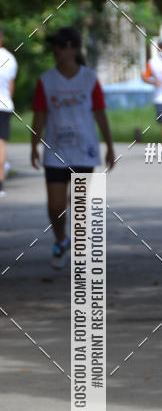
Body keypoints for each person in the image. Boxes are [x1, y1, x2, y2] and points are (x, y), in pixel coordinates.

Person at [30, 27, 115, 269]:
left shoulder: (89, 79)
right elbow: (39, 115)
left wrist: (109, 146)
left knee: (77, 202)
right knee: (55, 206)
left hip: (84, 150)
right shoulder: (46, 80)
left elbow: (100, 114)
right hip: (55, 151)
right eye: (54, 45)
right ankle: (60, 239)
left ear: (74, 49)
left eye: (60, 45)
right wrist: (34, 145)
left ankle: (79, 249)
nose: (55, 50)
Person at [0, 28, 18, 197]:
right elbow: (10, 87)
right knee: (1, 144)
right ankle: (0, 184)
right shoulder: (10, 58)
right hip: (4, 105)